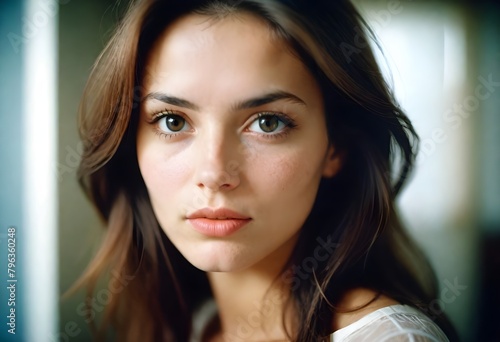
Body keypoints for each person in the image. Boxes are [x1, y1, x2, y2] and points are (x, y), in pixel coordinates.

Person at [74, 0, 459, 341]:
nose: (214, 172)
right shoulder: (188, 326)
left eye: (267, 123)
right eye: (173, 121)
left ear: (335, 147)